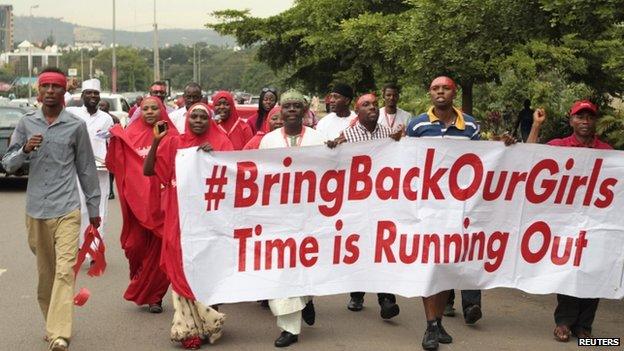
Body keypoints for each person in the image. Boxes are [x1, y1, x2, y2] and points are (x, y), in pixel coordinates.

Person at [2, 67, 101, 351]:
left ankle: (59, 333)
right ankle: (51, 323)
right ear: (38, 91)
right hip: (36, 210)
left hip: (67, 208)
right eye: (44, 86)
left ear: (64, 91)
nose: (49, 91)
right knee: (46, 273)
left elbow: (86, 169)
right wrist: (25, 151)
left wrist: (93, 208)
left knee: (64, 270)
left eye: (55, 86)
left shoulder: (75, 126)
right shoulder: (26, 123)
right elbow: (8, 164)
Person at [144, 103, 231, 349]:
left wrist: (214, 157)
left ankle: (207, 319)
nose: (199, 121)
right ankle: (187, 327)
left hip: (209, 216)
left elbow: (233, 176)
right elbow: (148, 169)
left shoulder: (221, 143)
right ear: (187, 119)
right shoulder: (174, 142)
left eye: (204, 117)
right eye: (194, 116)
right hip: (178, 213)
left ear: (210, 120)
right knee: (180, 265)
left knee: (206, 264)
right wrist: (155, 142)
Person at [526, 100, 612, 342]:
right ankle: (564, 322)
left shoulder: (608, 152)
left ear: (595, 121)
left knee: (593, 270)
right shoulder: (559, 147)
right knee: (568, 270)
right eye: (579, 117)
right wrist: (536, 125)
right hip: (565, 223)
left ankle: (585, 326)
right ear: (571, 120)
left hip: (597, 222)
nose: (585, 121)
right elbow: (528, 157)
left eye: (589, 117)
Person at [406, 76, 481, 351]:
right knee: (429, 267)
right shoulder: (416, 125)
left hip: (457, 209)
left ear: (454, 92)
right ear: (430, 93)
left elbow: (482, 160)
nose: (440, 92)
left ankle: (437, 322)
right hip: (425, 208)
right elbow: (404, 163)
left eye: (445, 88)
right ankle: (430, 326)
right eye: (436, 88)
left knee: (445, 266)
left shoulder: (471, 126)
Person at [326, 93, 402, 319]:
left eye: (375, 105)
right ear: (357, 112)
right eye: (366, 105)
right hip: (357, 203)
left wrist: (401, 140)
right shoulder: (346, 136)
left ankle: (386, 299)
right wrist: (333, 150)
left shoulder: (389, 134)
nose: (373, 109)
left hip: (383, 201)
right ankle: (357, 294)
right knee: (359, 248)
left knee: (382, 248)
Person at [259, 89, 324, 347]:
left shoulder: (319, 138)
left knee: (306, 265)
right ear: (281, 111)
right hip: (279, 216)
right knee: (281, 268)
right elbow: (259, 177)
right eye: (288, 107)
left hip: (312, 215)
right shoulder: (269, 140)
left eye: (298, 106)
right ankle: (289, 327)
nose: (293, 110)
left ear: (305, 110)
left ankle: (305, 298)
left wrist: (334, 150)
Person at [106, 96, 178, 313]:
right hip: (136, 205)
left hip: (162, 204)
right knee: (134, 246)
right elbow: (116, 164)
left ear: (162, 110)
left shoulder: (173, 135)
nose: (149, 112)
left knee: (159, 252)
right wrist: (115, 141)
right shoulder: (130, 134)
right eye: (145, 108)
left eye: (154, 108)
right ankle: (140, 280)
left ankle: (155, 296)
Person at [66, 79, 114, 262]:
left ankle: (95, 249)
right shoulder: (73, 114)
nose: (93, 96)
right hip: (76, 169)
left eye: (96, 93)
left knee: (99, 209)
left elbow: (112, 144)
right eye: (89, 93)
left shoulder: (106, 118)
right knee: (78, 208)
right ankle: (78, 246)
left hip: (100, 171)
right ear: (83, 96)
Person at [97, 99, 120, 200]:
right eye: (100, 106)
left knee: (110, 172)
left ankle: (110, 190)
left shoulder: (113, 118)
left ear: (108, 107)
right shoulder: (96, 118)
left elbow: (118, 132)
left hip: (110, 147)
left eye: (103, 106)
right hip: (100, 148)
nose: (101, 108)